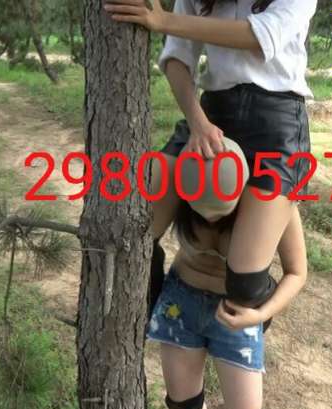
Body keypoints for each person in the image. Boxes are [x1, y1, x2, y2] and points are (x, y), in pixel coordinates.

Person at [106, 0, 317, 334]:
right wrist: (197, 122)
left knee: (245, 286)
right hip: (211, 114)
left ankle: (252, 316)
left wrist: (164, 21)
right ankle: (145, 324)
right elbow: (177, 57)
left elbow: (261, 36)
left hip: (276, 125)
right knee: (136, 234)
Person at [148, 136, 307, 409]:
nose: (209, 217)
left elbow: (297, 272)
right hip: (180, 303)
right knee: (184, 406)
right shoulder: (184, 179)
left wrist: (261, 314)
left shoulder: (269, 201)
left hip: (237, 315)